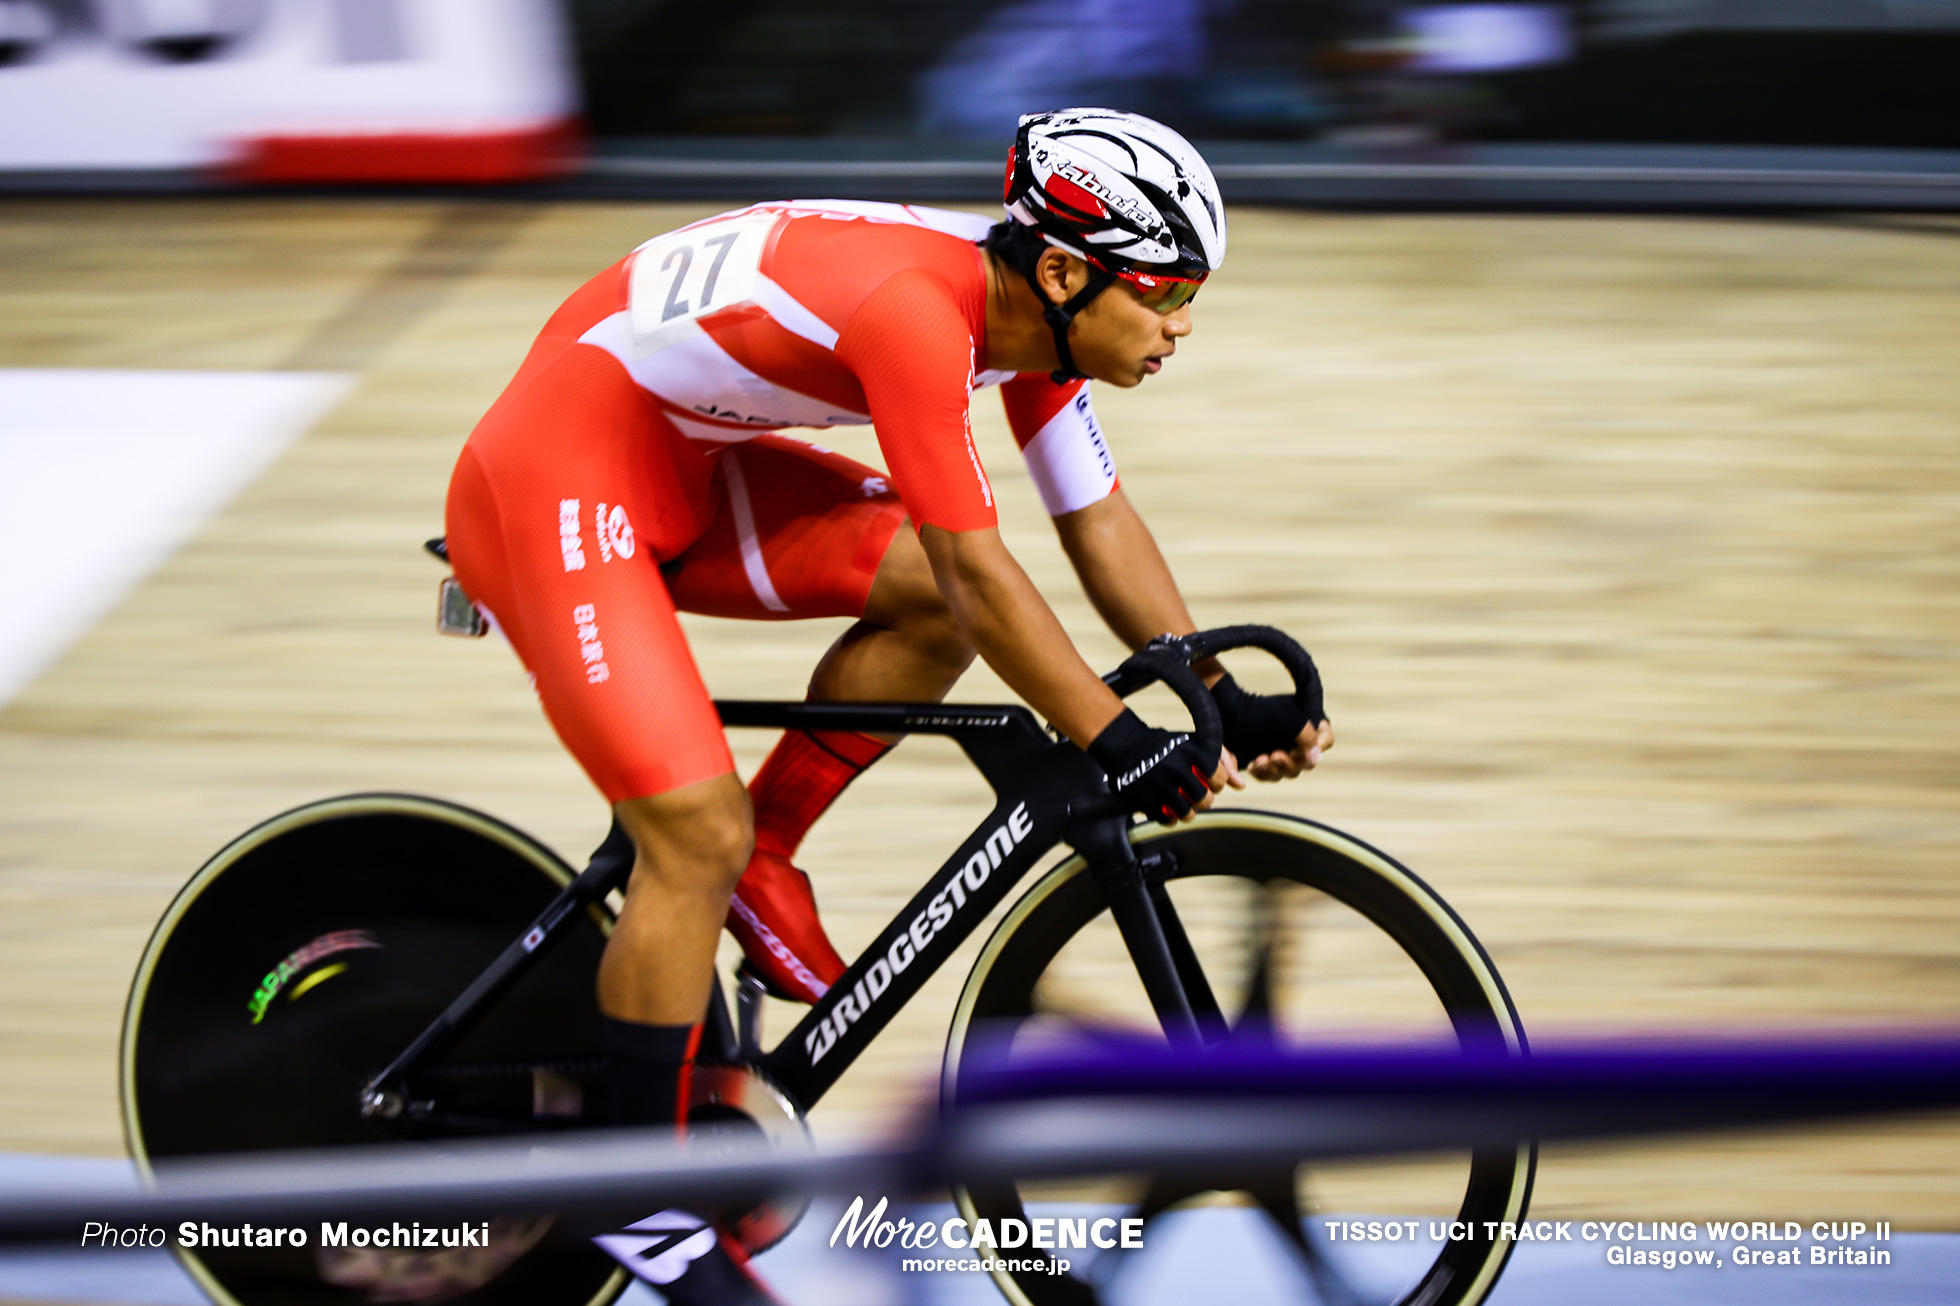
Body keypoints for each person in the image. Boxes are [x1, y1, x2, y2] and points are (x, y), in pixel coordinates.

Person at [442, 107, 1334, 1303]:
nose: (1180, 325)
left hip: (685, 456)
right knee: (689, 828)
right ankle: (642, 1206)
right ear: (1068, 271)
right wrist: (1114, 735)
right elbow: (985, 567)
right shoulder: (919, 314)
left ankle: (765, 853)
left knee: (921, 599)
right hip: (555, 475)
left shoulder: (1034, 315)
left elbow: (1092, 520)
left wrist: (1214, 690)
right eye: (1167, 293)